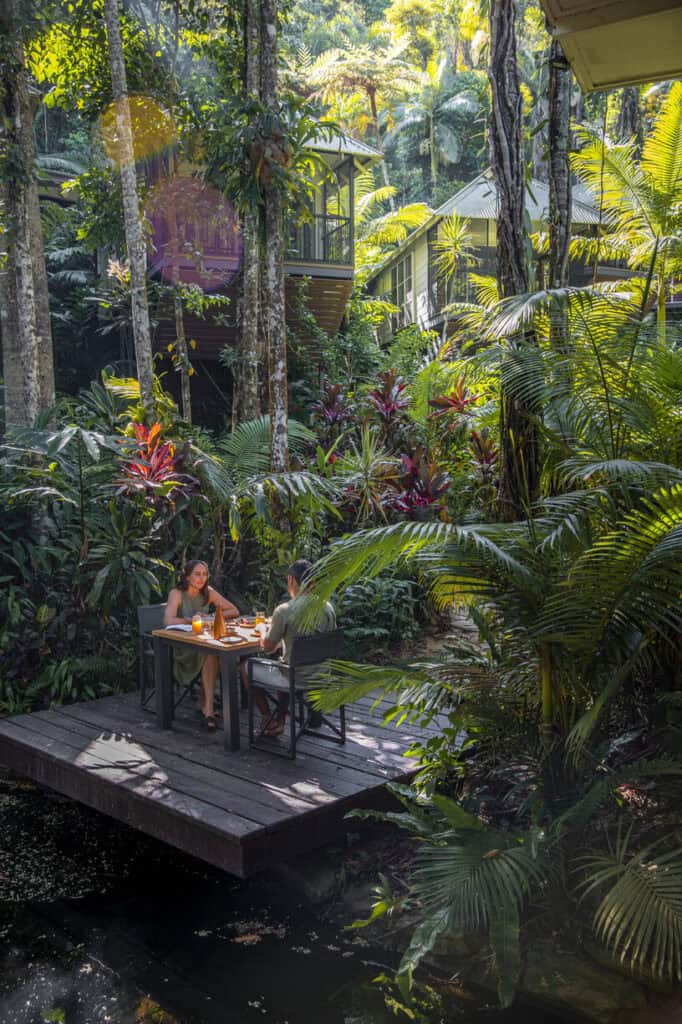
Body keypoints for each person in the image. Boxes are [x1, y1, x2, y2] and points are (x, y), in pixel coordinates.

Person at [252, 559, 336, 737]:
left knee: (245, 668)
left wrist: (261, 630)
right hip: (322, 674)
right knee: (285, 662)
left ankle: (268, 717)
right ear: (313, 582)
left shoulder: (284, 610)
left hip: (295, 676)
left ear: (291, 580)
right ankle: (281, 720)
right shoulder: (327, 607)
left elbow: (267, 648)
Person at [164, 560, 240, 730]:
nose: (201, 578)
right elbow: (168, 620)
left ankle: (207, 708)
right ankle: (208, 709)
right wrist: (191, 620)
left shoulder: (208, 592)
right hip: (184, 647)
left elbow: (233, 610)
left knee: (214, 652)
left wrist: (210, 617)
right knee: (212, 653)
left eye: (204, 574)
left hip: (205, 642)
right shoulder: (176, 593)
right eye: (197, 574)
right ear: (187, 576)